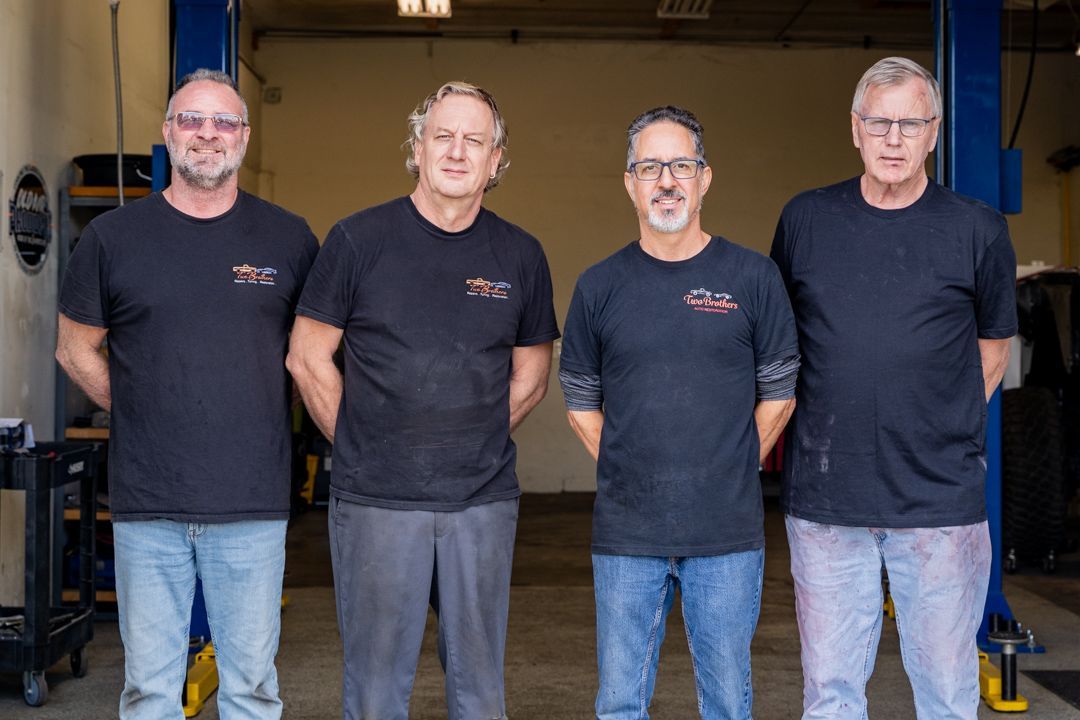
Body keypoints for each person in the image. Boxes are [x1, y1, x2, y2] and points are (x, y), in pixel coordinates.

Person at [285, 81, 559, 720]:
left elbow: (532, 374)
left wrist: (472, 443)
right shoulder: (357, 240)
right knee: (377, 693)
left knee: (479, 688)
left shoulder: (520, 254)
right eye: (443, 135)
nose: (457, 151)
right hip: (377, 502)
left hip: (481, 503)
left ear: (496, 161)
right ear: (417, 148)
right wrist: (360, 445)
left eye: (475, 140)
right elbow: (306, 356)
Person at [55, 69, 319, 719]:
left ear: (245, 137)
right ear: (169, 132)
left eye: (224, 121)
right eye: (193, 120)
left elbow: (312, 355)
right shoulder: (113, 239)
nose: (208, 134)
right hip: (149, 503)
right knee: (149, 688)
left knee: (252, 687)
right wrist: (144, 403)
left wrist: (259, 400)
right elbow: (73, 347)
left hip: (253, 503)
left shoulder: (289, 239)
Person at [770, 56, 1018, 719]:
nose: (893, 138)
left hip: (939, 504)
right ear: (855, 128)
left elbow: (993, 347)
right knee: (831, 692)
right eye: (879, 121)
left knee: (945, 692)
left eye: (910, 123)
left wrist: (938, 419)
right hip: (826, 500)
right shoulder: (805, 220)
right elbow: (780, 344)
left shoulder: (978, 229)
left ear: (934, 132)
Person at [559, 106, 800, 720]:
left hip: (726, 534)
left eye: (681, 165)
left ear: (705, 178)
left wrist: (726, 466)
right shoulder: (599, 285)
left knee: (725, 699)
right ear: (629, 182)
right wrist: (633, 471)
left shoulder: (753, 277)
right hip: (626, 536)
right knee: (618, 701)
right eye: (649, 166)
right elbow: (581, 401)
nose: (666, 180)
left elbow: (780, 391)